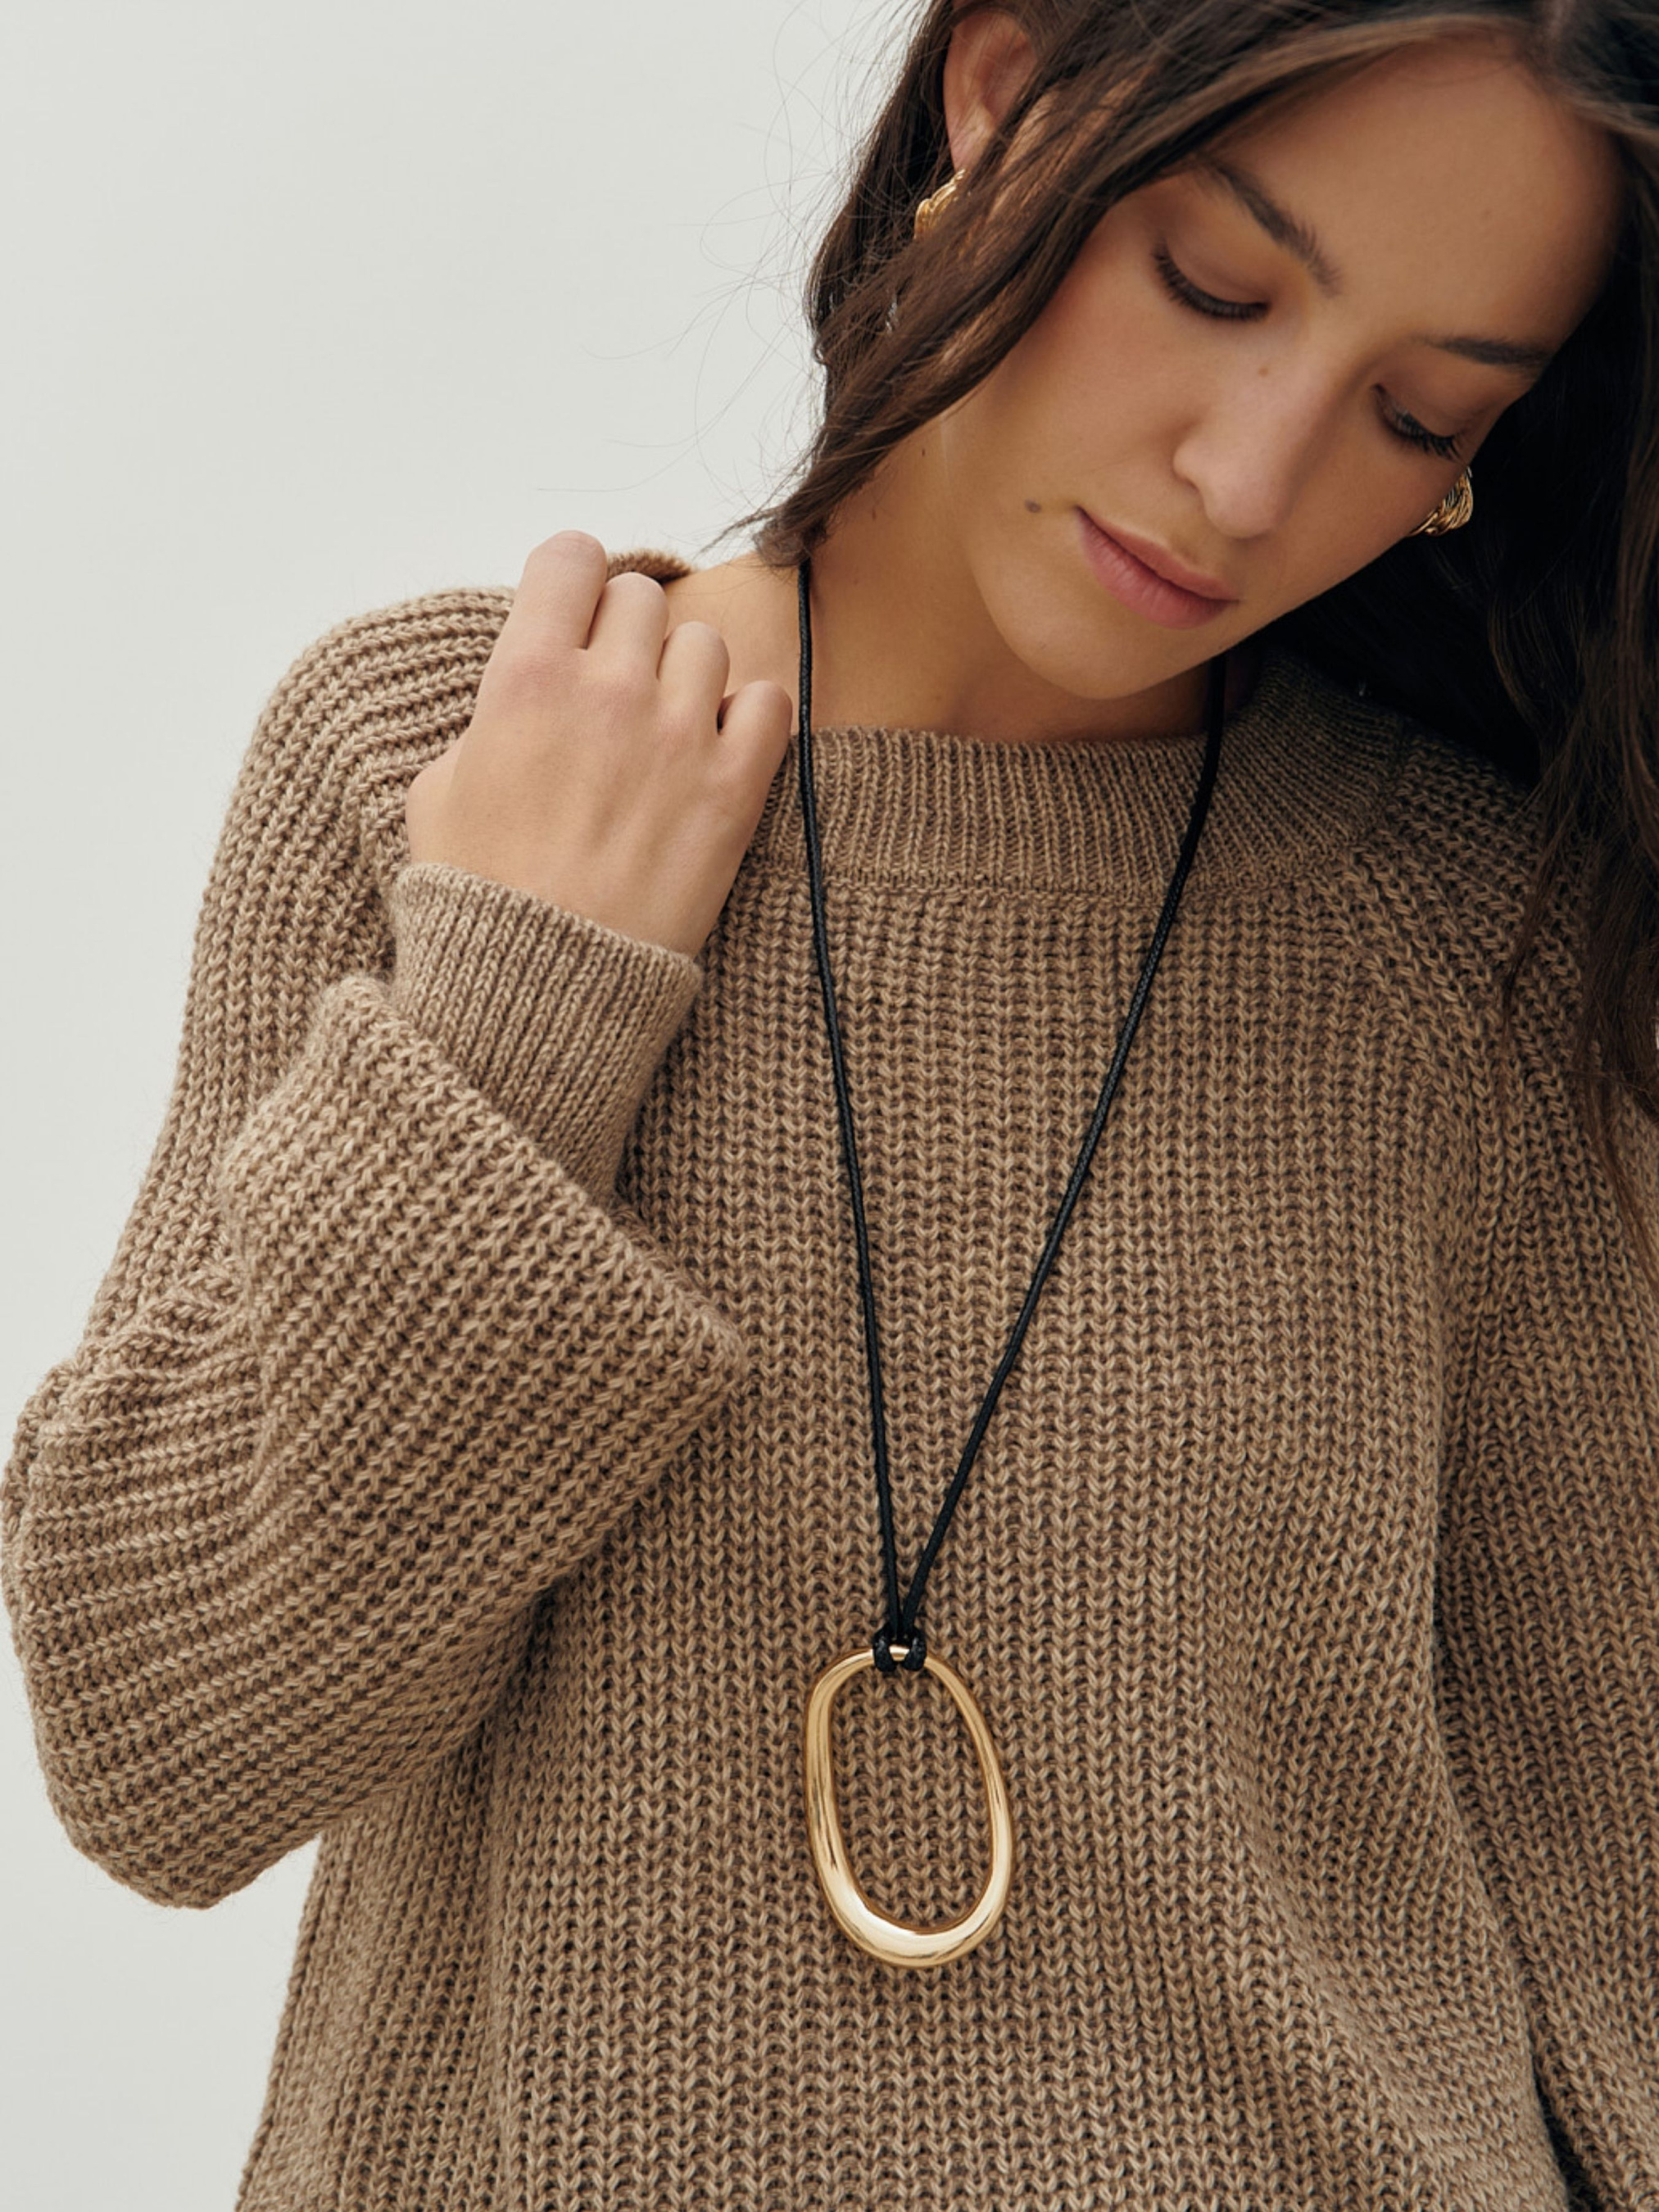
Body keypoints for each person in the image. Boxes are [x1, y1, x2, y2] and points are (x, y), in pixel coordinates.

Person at [5, 0, 1657, 2205]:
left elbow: (1617, 1916)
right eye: (1213, 284)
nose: (1249, 481)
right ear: (999, 90)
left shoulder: (1464, 946)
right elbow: (162, 1747)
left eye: (1413, 413)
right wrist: (518, 1007)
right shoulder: (436, 770)